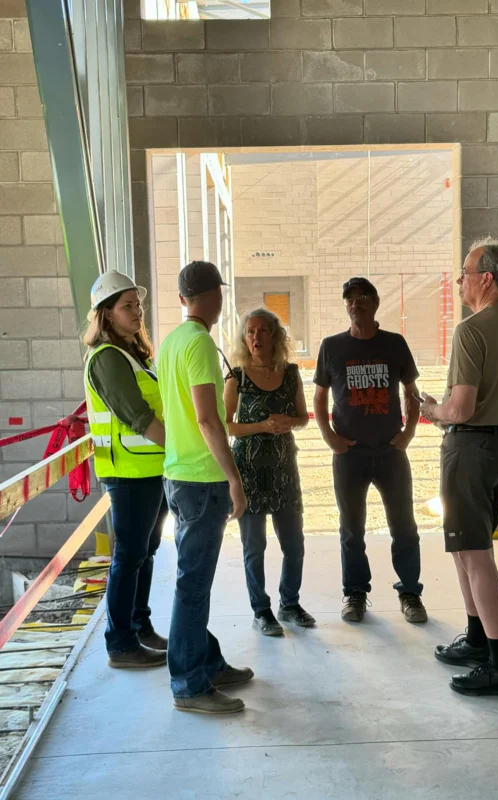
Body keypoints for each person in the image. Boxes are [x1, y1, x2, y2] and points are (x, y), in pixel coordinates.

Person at [420, 237, 498, 698]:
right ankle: (476, 638)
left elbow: (462, 408)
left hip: (471, 450)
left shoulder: (472, 329)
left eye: (466, 274)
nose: (460, 281)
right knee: (468, 549)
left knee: (476, 555)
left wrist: (434, 410)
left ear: (485, 278)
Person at [157, 260, 253, 715]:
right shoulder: (197, 344)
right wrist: (234, 478)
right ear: (215, 296)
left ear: (182, 299)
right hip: (202, 479)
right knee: (192, 586)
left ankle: (206, 662)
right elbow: (207, 418)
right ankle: (190, 686)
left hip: (179, 474)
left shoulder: (172, 341)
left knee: (193, 582)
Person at [314, 277, 427, 624]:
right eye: (349, 299)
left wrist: (408, 432)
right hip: (349, 455)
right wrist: (329, 437)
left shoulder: (394, 344)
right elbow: (318, 397)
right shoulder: (331, 347)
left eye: (362, 298)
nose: (355, 304)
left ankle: (410, 593)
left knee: (404, 527)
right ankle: (356, 594)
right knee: (351, 530)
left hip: (390, 453)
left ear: (376, 303)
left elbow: (412, 391)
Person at [83, 271, 168, 669]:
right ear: (106, 314)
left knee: (144, 553)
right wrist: (186, 448)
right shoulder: (107, 359)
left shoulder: (135, 356)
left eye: (139, 304)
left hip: (150, 470)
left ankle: (139, 625)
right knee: (129, 555)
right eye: (128, 306)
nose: (138, 311)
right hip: (129, 474)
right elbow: (137, 417)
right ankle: (120, 644)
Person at [223, 308, 314, 636]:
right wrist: (261, 425)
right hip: (248, 471)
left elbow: (304, 416)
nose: (256, 337)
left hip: (284, 470)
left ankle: (289, 603)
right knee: (254, 546)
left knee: (294, 543)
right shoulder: (237, 376)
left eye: (263, 331)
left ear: (275, 336)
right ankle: (261, 610)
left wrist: (291, 423)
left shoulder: (290, 374)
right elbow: (226, 426)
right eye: (250, 332)